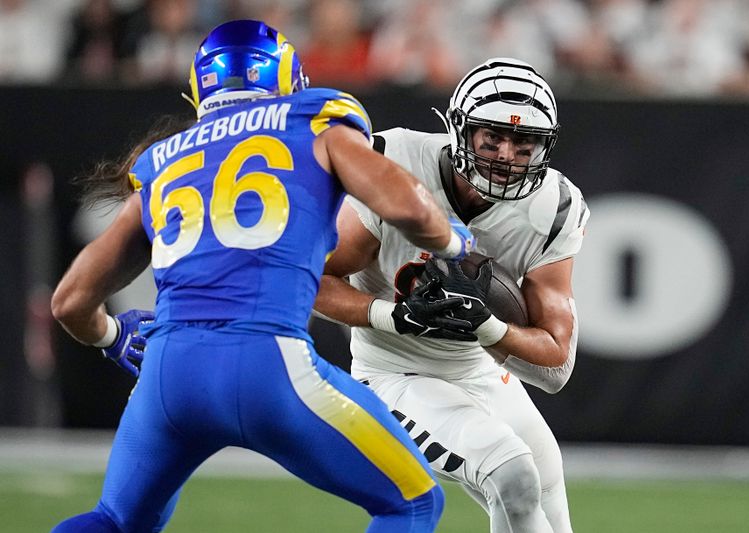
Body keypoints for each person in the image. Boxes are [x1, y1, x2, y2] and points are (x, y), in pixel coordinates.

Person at [49, 19, 479, 533]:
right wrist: (454, 241)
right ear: (287, 77)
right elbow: (408, 206)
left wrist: (114, 336)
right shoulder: (314, 122)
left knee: (115, 520)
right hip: (266, 364)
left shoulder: (163, 161)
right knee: (411, 502)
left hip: (168, 371)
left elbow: (70, 301)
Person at [315, 57, 588, 533]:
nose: (506, 155)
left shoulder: (552, 207)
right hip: (395, 374)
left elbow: (555, 365)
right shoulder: (396, 164)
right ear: (459, 129)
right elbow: (311, 279)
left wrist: (488, 326)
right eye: (493, 138)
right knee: (512, 473)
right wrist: (391, 316)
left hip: (482, 371)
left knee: (548, 505)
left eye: (524, 143)